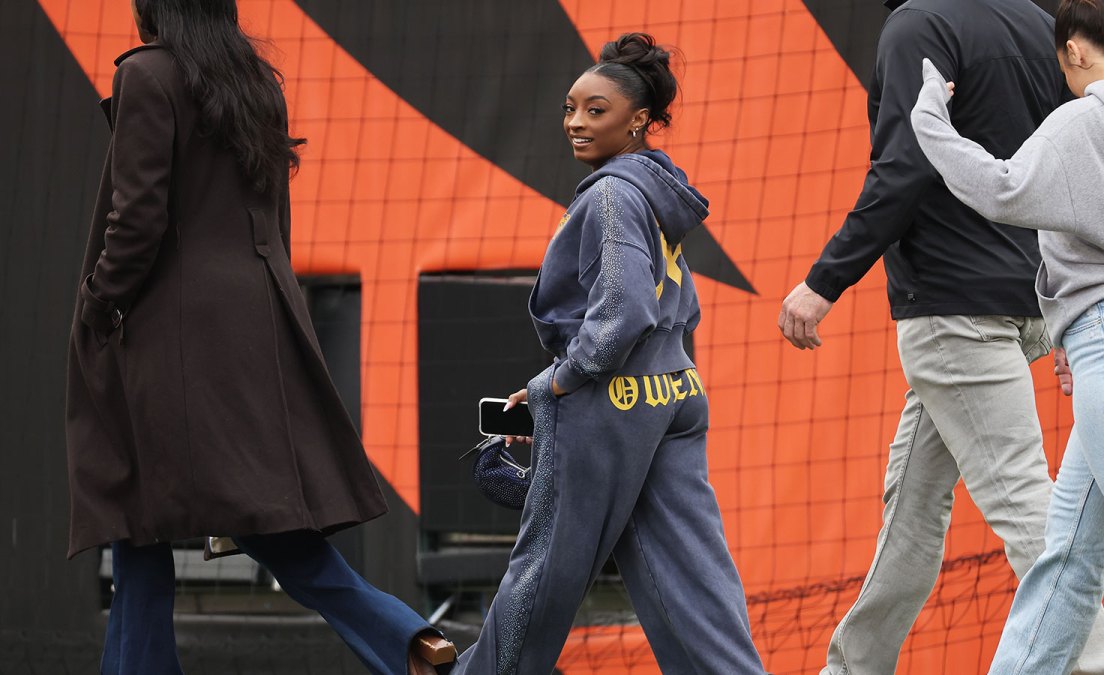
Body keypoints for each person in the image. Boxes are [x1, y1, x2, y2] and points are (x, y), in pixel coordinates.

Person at [64, 1, 453, 673]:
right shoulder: (256, 80)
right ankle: (409, 640)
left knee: (141, 511)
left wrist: (100, 302)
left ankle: (404, 642)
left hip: (167, 332)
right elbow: (273, 217)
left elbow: (137, 220)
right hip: (255, 318)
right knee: (235, 516)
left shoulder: (148, 76)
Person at [776, 0, 1104, 673]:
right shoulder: (1038, 24)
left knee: (1024, 500)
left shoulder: (918, 24)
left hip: (954, 311)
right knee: (911, 508)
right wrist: (1076, 300)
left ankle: (1092, 666)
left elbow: (905, 162)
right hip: (1025, 305)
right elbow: (1080, 164)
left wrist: (824, 281)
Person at [453, 33, 764, 675]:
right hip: (675, 393)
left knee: (543, 573)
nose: (575, 122)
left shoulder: (609, 194)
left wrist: (555, 385)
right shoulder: (658, 190)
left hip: (609, 403)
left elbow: (623, 313)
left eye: (596, 110)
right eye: (571, 107)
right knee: (695, 580)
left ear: (640, 120)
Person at [911, 0, 1104, 670]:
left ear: (1074, 50)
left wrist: (929, 112)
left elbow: (1001, 187)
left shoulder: (1082, 122)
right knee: (1067, 560)